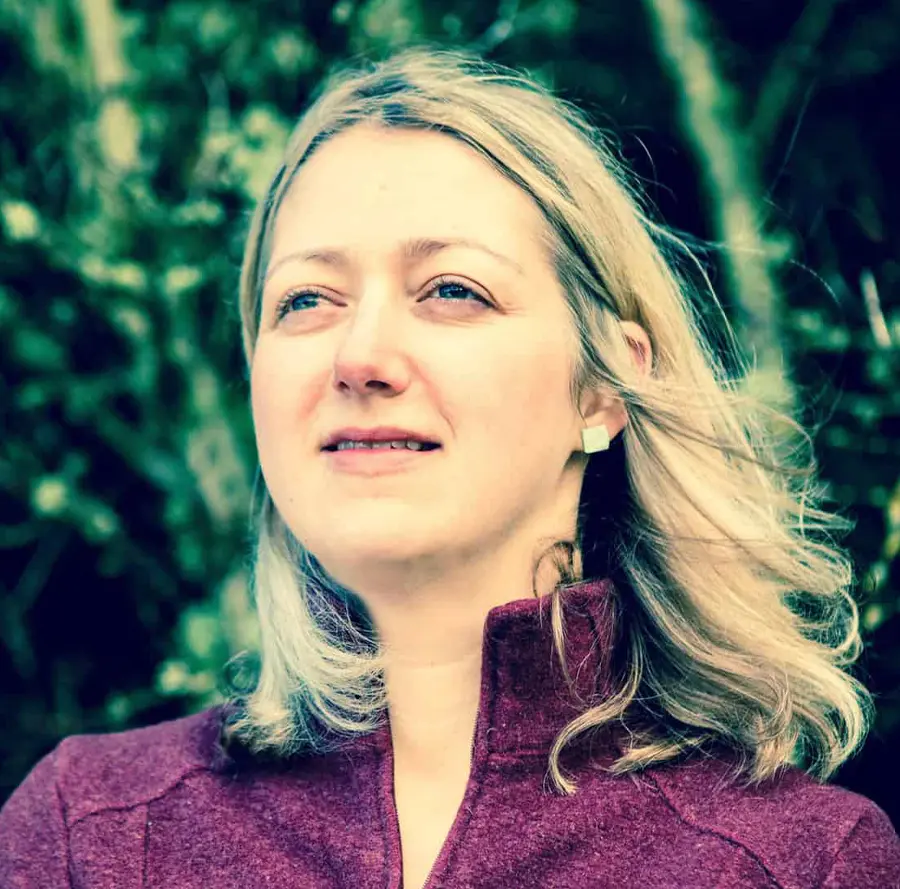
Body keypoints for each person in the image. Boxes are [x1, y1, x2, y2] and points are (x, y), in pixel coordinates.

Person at [2, 45, 898, 889]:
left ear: (604, 388)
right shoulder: (96, 835)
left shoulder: (799, 864)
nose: (361, 354)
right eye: (307, 299)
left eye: (452, 291)